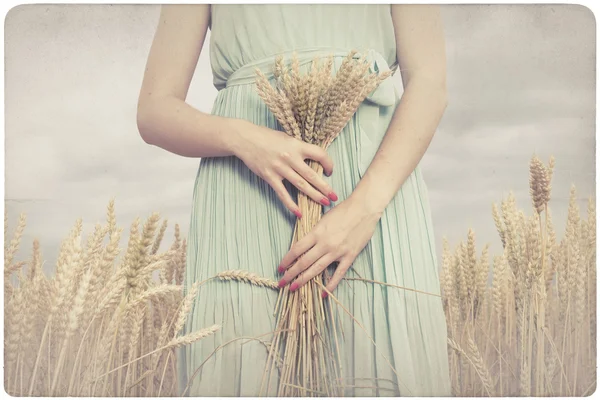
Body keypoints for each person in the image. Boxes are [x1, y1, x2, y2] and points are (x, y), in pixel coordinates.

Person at [137, 3, 451, 397]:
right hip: (245, 190)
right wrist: (244, 138)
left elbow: (430, 81)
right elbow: (154, 109)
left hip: (374, 194)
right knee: (244, 365)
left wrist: (364, 208)